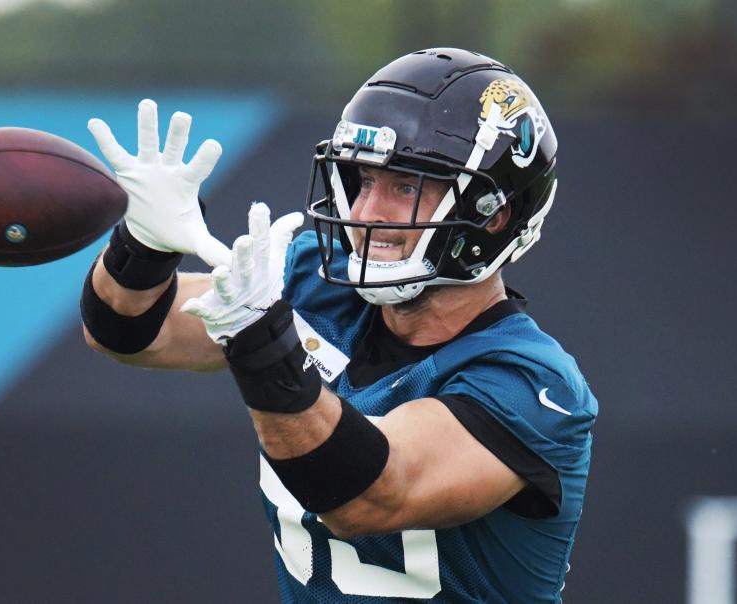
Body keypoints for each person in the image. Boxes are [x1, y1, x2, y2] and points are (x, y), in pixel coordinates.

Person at [80, 47, 597, 603]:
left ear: (492, 215)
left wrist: (260, 339)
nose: (364, 210)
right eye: (361, 179)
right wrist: (143, 246)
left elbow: (368, 495)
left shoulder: (530, 383)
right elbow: (132, 332)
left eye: (404, 187)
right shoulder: (321, 285)